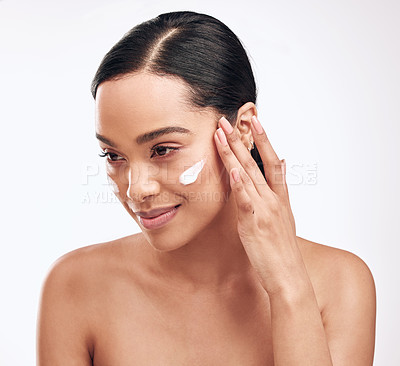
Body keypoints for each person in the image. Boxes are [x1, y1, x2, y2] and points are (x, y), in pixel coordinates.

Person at [36, 11, 376, 365]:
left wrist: (288, 286)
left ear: (243, 129)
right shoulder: (74, 287)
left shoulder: (340, 284)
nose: (136, 190)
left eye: (163, 150)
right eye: (113, 155)